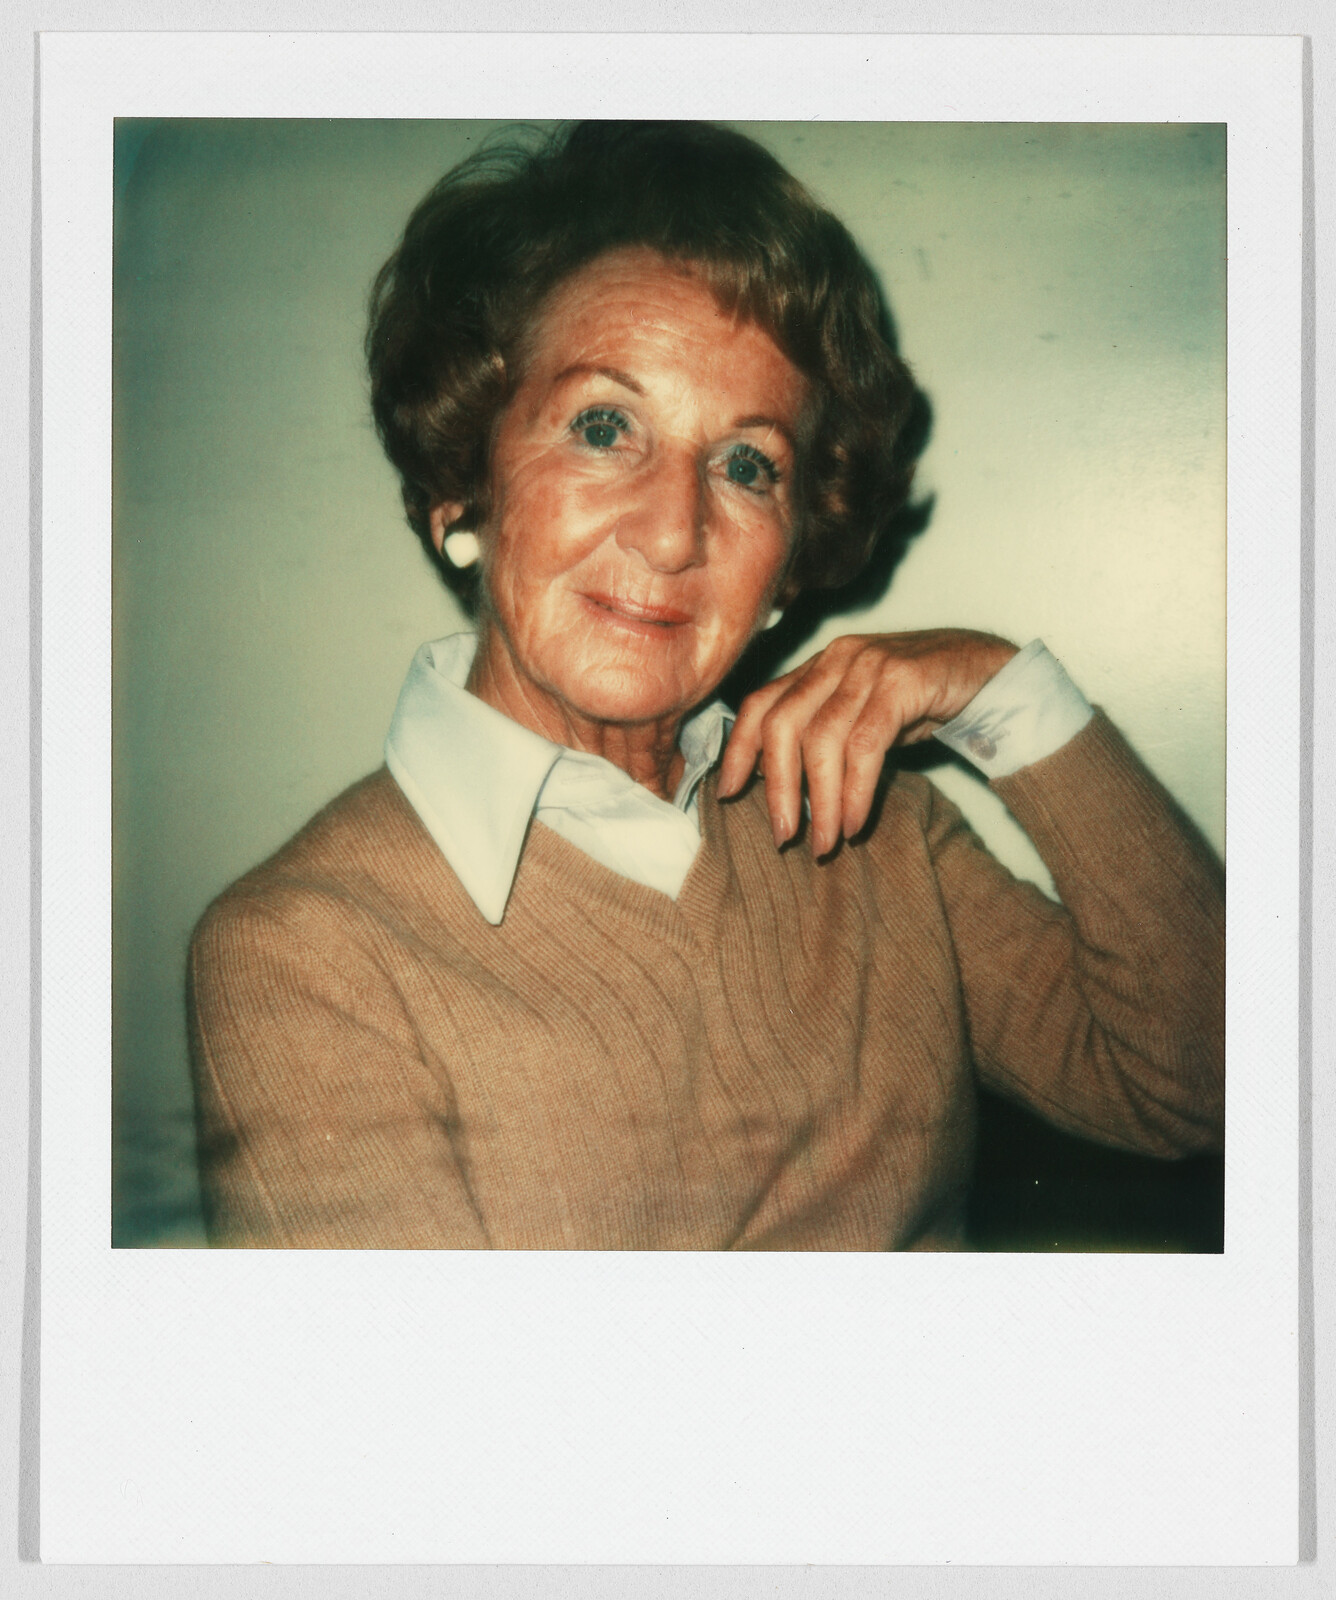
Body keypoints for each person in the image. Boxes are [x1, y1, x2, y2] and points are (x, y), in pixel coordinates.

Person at [187, 121, 1224, 1250]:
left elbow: (1205, 1087)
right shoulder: (305, 952)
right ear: (462, 489)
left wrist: (1001, 694)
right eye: (602, 426)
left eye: (746, 465)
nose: (675, 531)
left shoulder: (876, 830)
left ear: (788, 569)